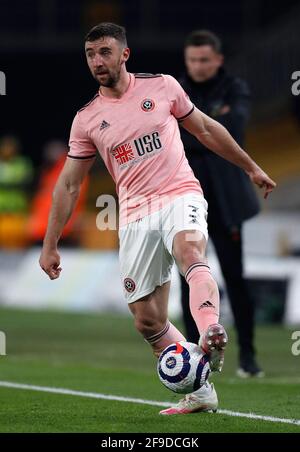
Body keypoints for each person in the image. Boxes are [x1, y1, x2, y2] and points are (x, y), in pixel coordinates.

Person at [39, 23, 276, 415]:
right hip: (134, 215)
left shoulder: (162, 86)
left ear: (124, 54)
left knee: (190, 251)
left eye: (105, 52)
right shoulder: (86, 119)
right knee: (147, 321)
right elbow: (68, 186)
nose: (97, 61)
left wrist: (250, 168)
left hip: (180, 193)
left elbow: (204, 129)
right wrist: (50, 245)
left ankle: (209, 332)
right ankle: (200, 392)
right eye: (90, 54)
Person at [178, 30, 263, 377]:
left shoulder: (235, 87)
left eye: (204, 60)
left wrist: (196, 127)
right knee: (189, 277)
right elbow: (199, 132)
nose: (198, 66)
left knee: (234, 278)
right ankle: (193, 355)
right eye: (192, 60)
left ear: (218, 60)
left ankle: (248, 356)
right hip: (186, 198)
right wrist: (212, 122)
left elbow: (236, 126)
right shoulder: (175, 89)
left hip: (226, 199)